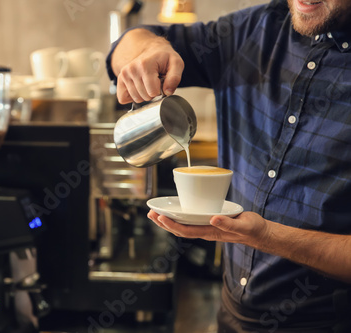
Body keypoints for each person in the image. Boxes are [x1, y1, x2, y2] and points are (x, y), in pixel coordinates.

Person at [106, 0, 351, 332]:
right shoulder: (253, 29)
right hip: (232, 313)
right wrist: (148, 51)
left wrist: (268, 236)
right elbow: (126, 44)